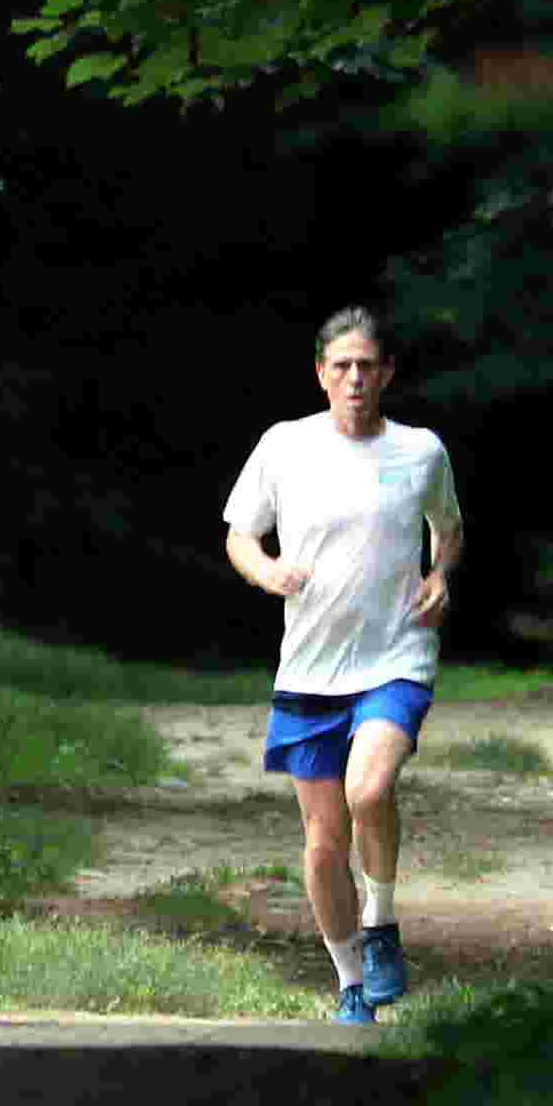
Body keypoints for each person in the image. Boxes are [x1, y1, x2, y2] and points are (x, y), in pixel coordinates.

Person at [221, 305, 461, 1027]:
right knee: (324, 846)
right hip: (309, 671)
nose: (355, 378)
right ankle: (352, 982)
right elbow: (240, 533)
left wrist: (441, 574)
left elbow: (447, 529)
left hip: (397, 654)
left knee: (370, 790)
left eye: (368, 366)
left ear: (386, 374)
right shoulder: (284, 446)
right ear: (322, 375)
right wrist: (265, 573)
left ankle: (381, 922)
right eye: (342, 366)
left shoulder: (420, 452)